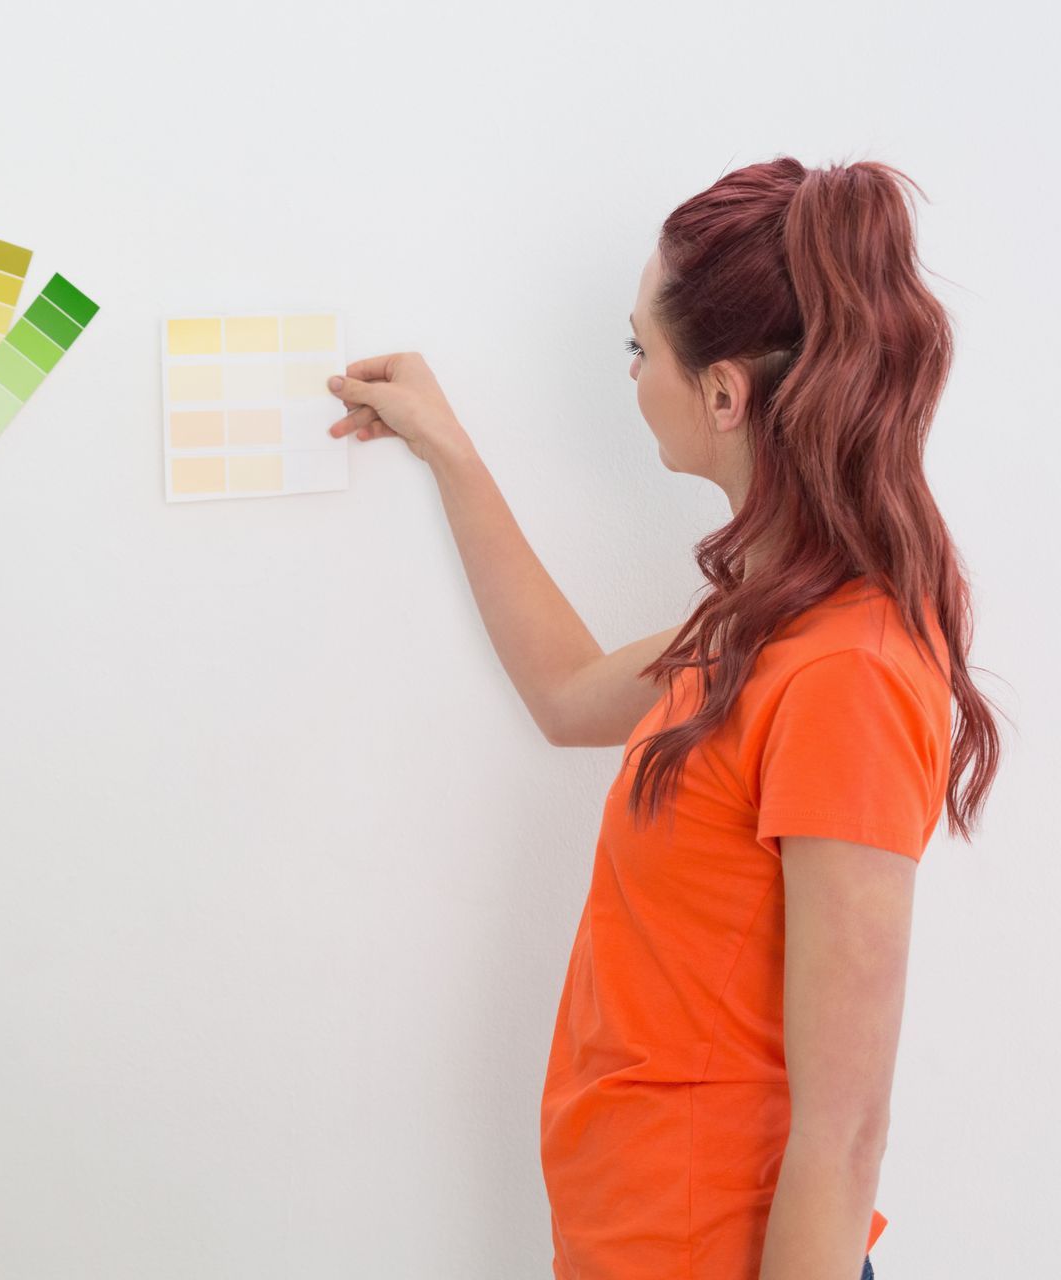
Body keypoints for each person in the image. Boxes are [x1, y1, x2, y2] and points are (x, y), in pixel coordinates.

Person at [326, 157, 1000, 1279]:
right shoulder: (767, 618)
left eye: (641, 348)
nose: (632, 373)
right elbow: (568, 689)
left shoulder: (851, 671)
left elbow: (845, 1137)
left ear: (726, 392)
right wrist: (448, 446)